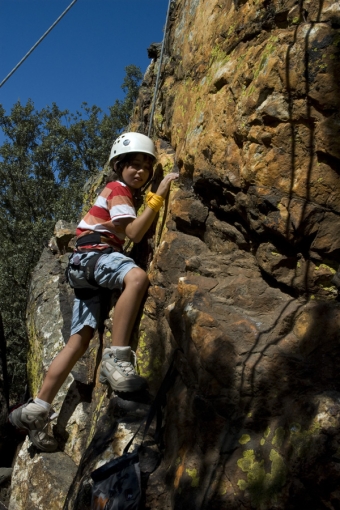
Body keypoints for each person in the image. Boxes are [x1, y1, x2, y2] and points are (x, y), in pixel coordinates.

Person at [9, 132, 178, 452]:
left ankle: (37, 409)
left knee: (78, 342)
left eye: (146, 167)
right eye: (134, 165)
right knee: (137, 277)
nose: (140, 171)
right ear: (119, 166)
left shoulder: (123, 193)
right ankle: (117, 360)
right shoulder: (117, 189)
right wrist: (159, 194)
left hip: (83, 267)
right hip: (93, 257)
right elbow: (135, 233)